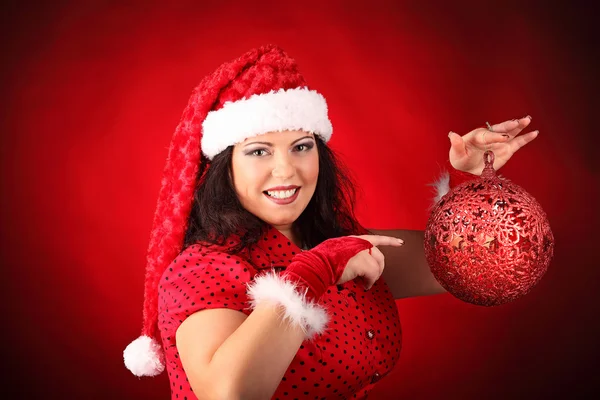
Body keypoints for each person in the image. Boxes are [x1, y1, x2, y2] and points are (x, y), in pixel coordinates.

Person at [123, 44, 538, 400]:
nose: (286, 171)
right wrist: (319, 269)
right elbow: (230, 393)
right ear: (222, 167)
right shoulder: (200, 269)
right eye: (259, 152)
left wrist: (475, 178)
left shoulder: (346, 246)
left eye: (301, 146)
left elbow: (474, 263)